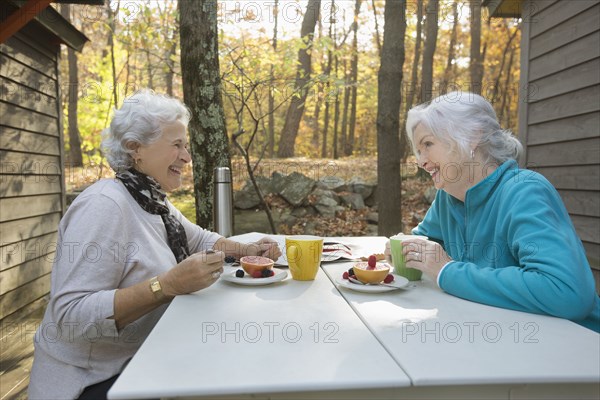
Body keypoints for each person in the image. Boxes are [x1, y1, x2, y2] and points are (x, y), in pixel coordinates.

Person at [28, 89, 282, 399]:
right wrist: (166, 285)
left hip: (139, 361)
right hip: (91, 382)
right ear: (136, 149)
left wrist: (249, 250)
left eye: (186, 146)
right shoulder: (104, 205)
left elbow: (200, 239)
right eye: (177, 145)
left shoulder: (151, 200)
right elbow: (70, 316)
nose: (187, 157)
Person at [397, 91, 599, 333]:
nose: (421, 161)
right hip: (498, 343)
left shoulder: (524, 191)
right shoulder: (448, 197)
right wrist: (404, 249)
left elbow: (567, 292)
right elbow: (428, 246)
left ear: (472, 136)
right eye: (419, 151)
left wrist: (447, 271)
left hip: (576, 348)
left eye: (428, 144)